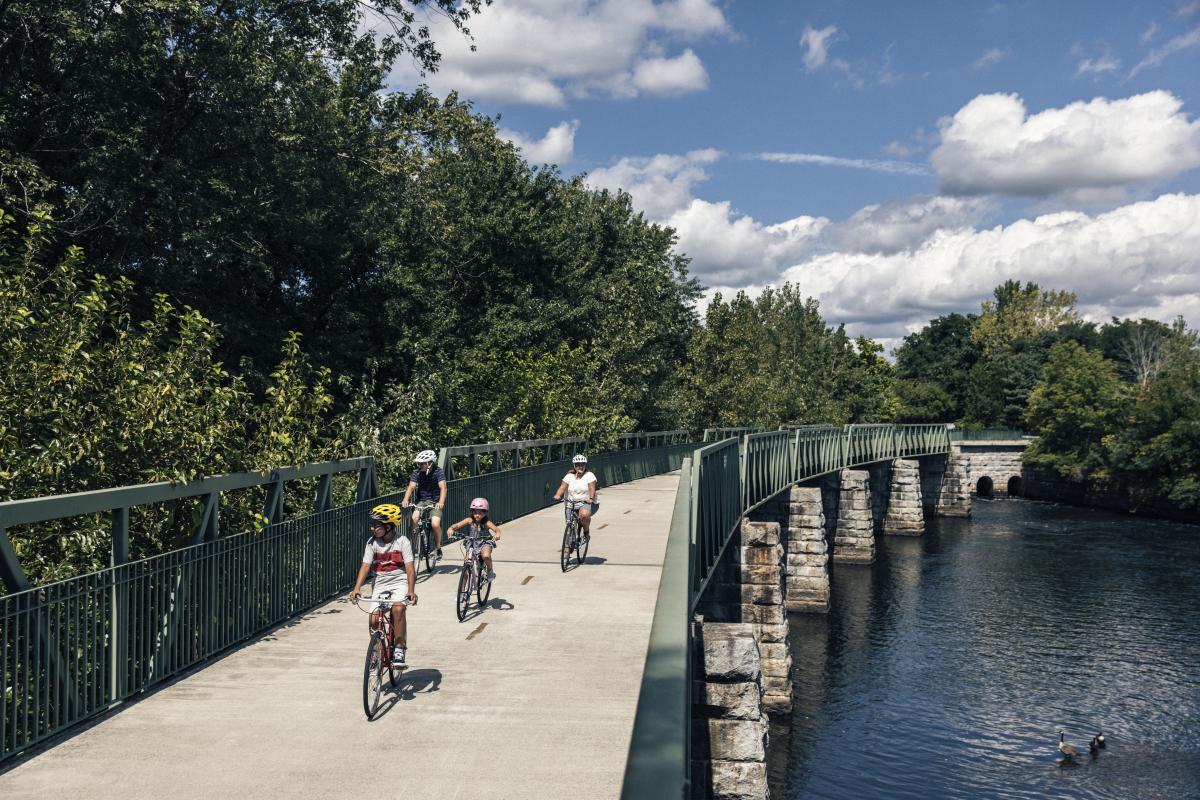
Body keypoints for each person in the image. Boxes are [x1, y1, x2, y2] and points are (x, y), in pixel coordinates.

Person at [349, 503, 418, 666]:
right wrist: (357, 588)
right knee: (373, 619)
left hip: (399, 581)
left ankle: (399, 648)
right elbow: (365, 566)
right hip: (380, 582)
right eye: (372, 525)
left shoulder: (403, 542)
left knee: (398, 609)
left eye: (376, 525)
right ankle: (376, 649)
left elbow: (409, 569)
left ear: (388, 526)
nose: (373, 528)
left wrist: (411, 591)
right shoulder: (371, 543)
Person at [401, 449, 447, 565]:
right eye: (419, 463)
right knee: (414, 519)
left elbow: (443, 488)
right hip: (421, 501)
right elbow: (411, 487)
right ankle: (415, 547)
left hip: (435, 502)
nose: (419, 465)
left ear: (430, 463)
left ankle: (438, 547)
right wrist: (406, 499)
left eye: (422, 463)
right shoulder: (416, 473)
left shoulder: (438, 472)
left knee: (435, 523)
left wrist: (441, 502)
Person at [446, 497, 502, 582]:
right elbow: (457, 525)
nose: (477, 515)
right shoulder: (469, 520)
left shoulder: (487, 523)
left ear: (485, 513)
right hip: (472, 542)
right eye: (475, 512)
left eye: (480, 513)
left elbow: (497, 530)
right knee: (466, 566)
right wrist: (451, 528)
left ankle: (490, 570)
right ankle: (462, 593)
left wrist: (497, 535)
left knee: (486, 556)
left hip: (484, 542)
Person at [553, 453, 598, 540]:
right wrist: (558, 495)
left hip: (584, 502)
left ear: (585, 465)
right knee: (570, 524)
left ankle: (586, 531)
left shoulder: (589, 475)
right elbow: (562, 487)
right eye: (578, 465)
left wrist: (591, 498)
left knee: (584, 515)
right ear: (574, 466)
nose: (580, 467)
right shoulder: (569, 476)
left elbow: (592, 488)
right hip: (570, 503)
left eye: (582, 465)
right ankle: (570, 543)